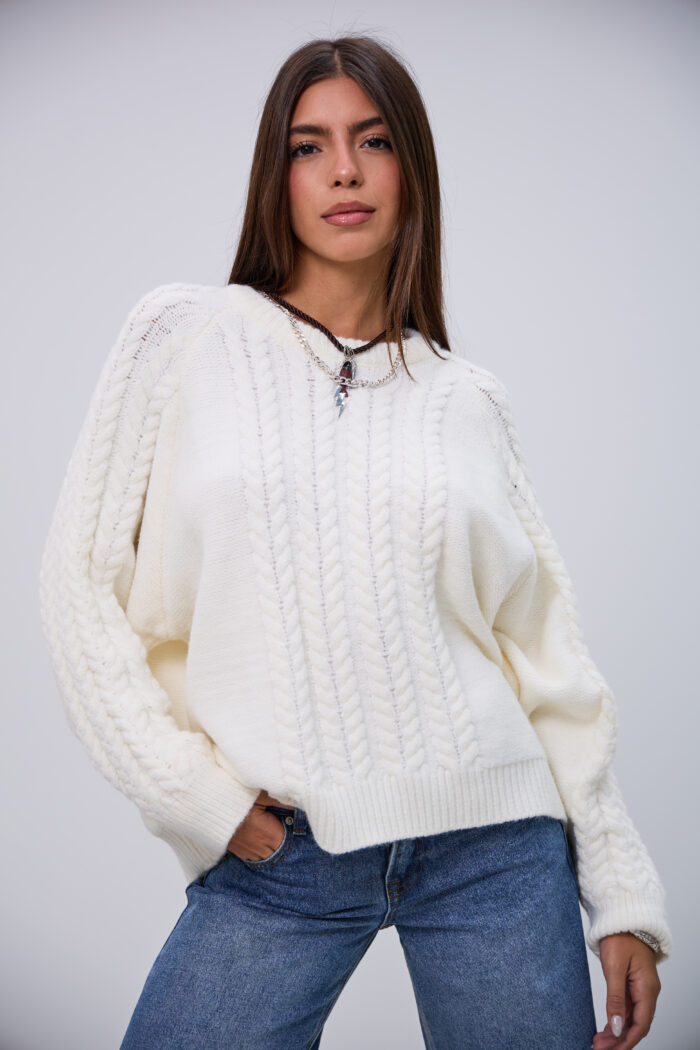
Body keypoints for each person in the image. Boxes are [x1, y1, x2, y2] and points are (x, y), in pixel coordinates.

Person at [38, 33, 670, 1050]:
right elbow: (77, 585)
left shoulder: (467, 398)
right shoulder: (184, 338)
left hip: (495, 850)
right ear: (276, 175)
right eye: (310, 146)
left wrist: (622, 893)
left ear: (410, 170)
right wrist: (191, 795)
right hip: (280, 854)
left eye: (373, 142)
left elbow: (547, 659)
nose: (343, 170)